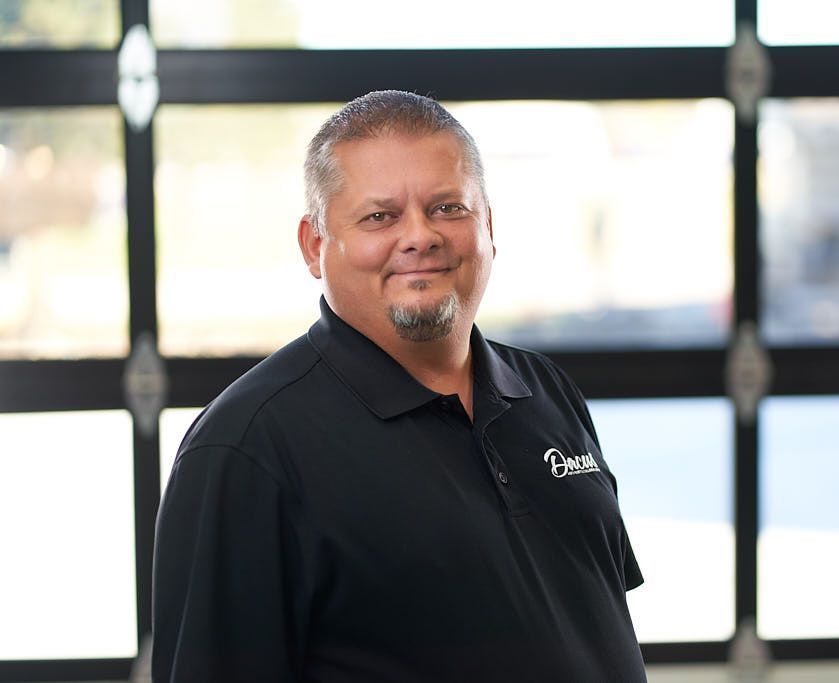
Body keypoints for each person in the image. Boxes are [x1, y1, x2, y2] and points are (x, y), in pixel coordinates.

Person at [152, 90, 647, 682]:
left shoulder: (545, 392)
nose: (420, 237)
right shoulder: (248, 449)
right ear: (315, 246)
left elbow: (595, 618)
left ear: (486, 224)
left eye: (447, 208)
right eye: (379, 217)